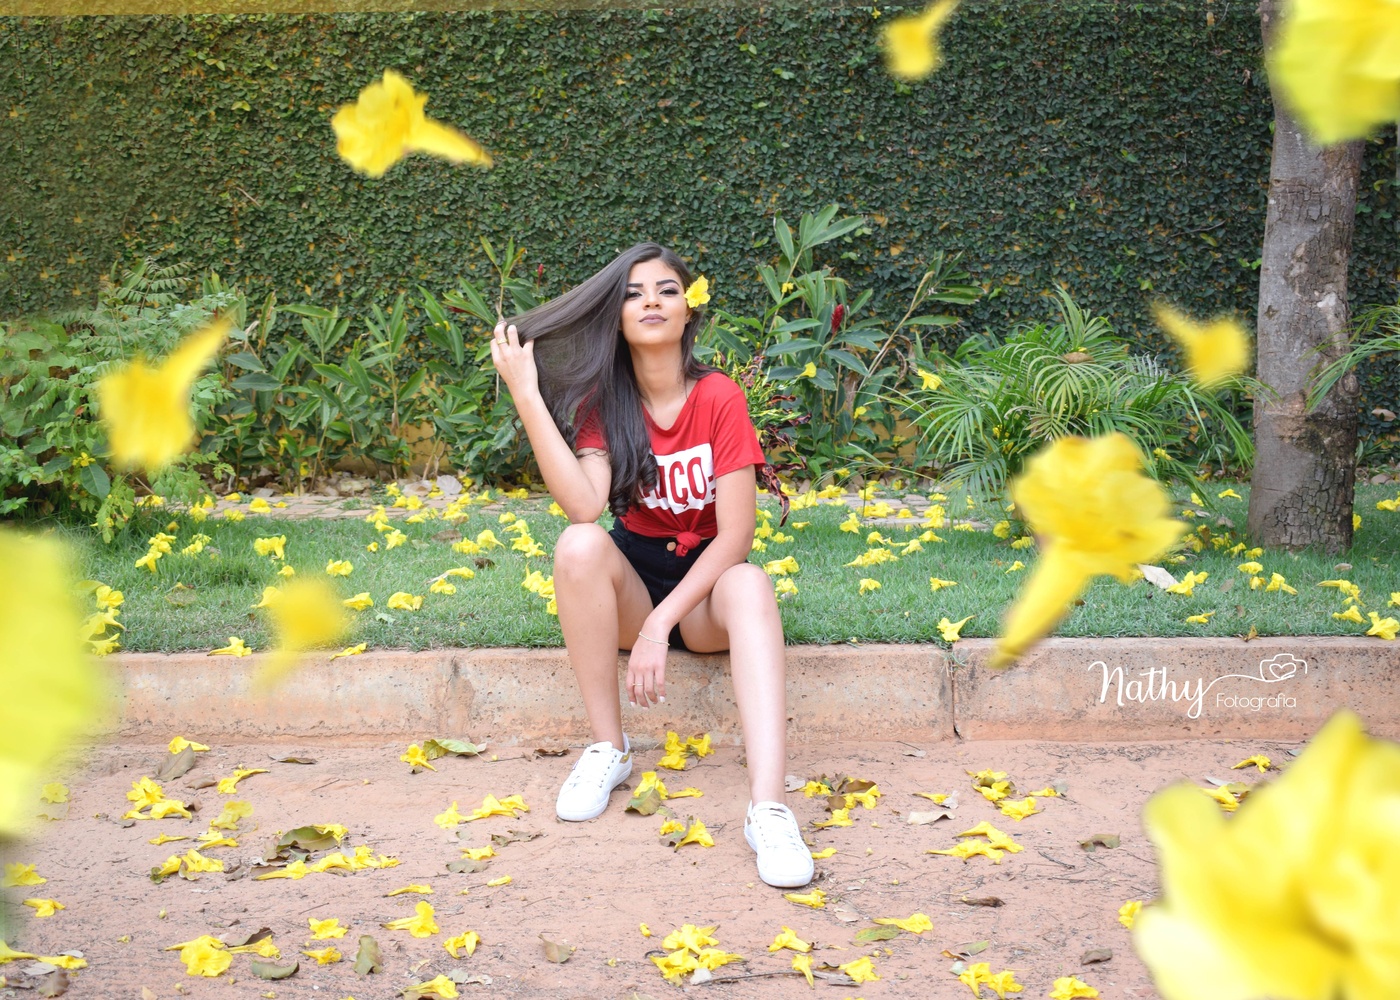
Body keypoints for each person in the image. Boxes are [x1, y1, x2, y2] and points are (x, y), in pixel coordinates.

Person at [488, 242, 814, 889]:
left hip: (706, 590)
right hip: (635, 581)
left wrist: (661, 625)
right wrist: (526, 394)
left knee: (751, 582)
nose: (651, 303)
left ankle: (769, 810)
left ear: (689, 311)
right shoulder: (605, 404)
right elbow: (584, 506)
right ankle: (609, 750)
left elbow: (737, 536)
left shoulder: (718, 397)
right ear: (617, 316)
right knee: (578, 544)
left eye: (667, 290)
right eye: (634, 294)